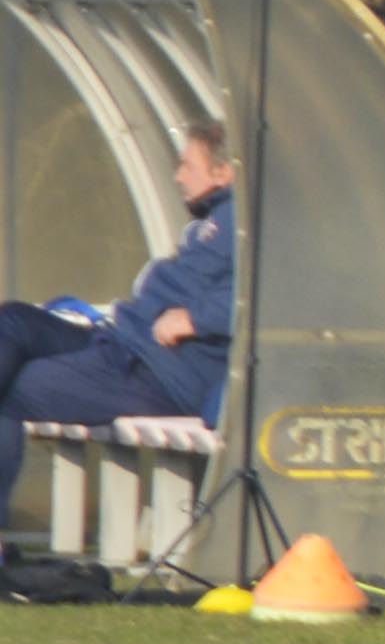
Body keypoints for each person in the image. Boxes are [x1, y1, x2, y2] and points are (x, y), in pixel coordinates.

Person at [0, 117, 237, 428]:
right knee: (13, 321)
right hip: (120, 341)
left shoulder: (251, 222)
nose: (178, 176)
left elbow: (272, 296)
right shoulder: (209, 222)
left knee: (20, 391)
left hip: (157, 372)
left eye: (187, 166)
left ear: (224, 171)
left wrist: (195, 319)